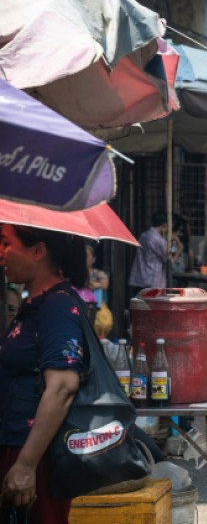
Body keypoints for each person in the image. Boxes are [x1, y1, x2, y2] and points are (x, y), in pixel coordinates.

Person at [0, 224, 87, 522]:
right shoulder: (33, 305)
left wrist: (25, 466)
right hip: (16, 446)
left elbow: (63, 386)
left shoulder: (57, 305)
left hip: (36, 456)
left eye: (6, 243)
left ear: (38, 251)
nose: (1, 253)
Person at [128, 211, 170, 293]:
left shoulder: (144, 235)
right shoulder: (159, 240)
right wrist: (179, 249)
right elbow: (167, 259)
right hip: (153, 278)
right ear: (164, 225)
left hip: (141, 275)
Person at [85, 244, 113, 338]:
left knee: (103, 322)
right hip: (81, 306)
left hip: (97, 307)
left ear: (93, 259)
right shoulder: (75, 275)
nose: (84, 258)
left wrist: (97, 285)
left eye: (87, 255)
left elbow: (105, 285)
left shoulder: (98, 274)